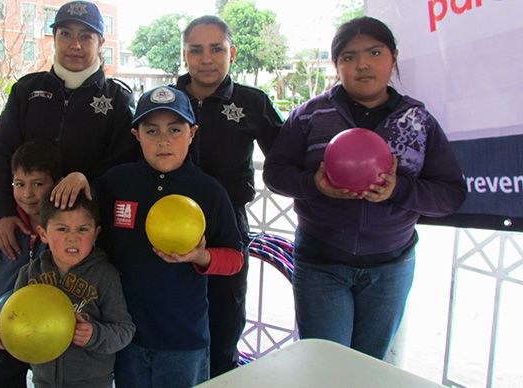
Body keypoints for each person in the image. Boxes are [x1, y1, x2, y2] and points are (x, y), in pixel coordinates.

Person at [262, 16, 467, 360]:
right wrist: (314, 184)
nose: (362, 64)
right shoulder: (311, 114)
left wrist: (399, 189)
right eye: (348, 57)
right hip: (320, 262)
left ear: (393, 57)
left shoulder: (418, 121)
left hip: (391, 267)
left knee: (368, 366)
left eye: (374, 52)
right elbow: (274, 174)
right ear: (336, 65)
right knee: (325, 366)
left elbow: (451, 194)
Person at [92, 86, 244, 387]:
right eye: (151, 131)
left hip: (184, 340)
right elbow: (83, 230)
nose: (163, 140)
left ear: (192, 133)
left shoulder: (209, 190)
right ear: (136, 136)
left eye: (175, 129)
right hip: (127, 335)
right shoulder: (116, 183)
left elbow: (235, 259)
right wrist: (78, 178)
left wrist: (201, 256)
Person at [0, 0, 138, 260]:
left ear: (100, 43)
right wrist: (2, 213)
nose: (74, 45)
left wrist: (88, 181)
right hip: (28, 231)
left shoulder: (119, 99)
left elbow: (124, 168)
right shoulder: (26, 91)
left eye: (85, 36)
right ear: (53, 38)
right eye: (65, 34)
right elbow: (0, 153)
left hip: (90, 240)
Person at [176, 15, 284, 376]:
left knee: (225, 323)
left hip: (228, 229)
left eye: (216, 48)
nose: (206, 58)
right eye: (196, 50)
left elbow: (286, 159)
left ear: (232, 52)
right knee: (170, 320)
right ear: (185, 55)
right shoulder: (166, 100)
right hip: (167, 226)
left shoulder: (252, 102)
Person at [0, 194, 136, 388]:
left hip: (92, 383)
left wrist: (94, 335)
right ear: (43, 234)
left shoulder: (105, 276)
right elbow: (17, 322)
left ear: (95, 234)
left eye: (83, 229)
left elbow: (124, 331)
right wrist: (5, 336)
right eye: (62, 229)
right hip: (44, 381)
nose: (72, 238)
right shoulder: (29, 274)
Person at [0, 139, 62, 388]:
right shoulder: (2, 231)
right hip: (4, 333)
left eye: (38, 184)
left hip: (49, 332)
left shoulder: (64, 232)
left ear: (56, 184)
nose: (27, 194)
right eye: (19, 184)